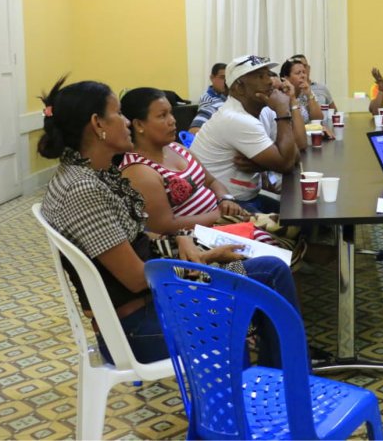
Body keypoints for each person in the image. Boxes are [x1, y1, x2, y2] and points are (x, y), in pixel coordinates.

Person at [37, 77, 299, 367]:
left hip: (159, 297)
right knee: (237, 305)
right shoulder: (83, 189)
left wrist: (181, 239)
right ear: (98, 124)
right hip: (138, 324)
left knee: (270, 269)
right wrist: (207, 257)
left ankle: (285, 376)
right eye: (118, 113)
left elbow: (132, 235)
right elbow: (137, 278)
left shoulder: (94, 174)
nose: (126, 121)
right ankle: (268, 383)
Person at [118, 88, 296, 250]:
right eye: (162, 116)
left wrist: (225, 199)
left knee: (290, 229)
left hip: (222, 220)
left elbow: (211, 181)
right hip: (197, 240)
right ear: (139, 125)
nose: (172, 120)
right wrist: (218, 215)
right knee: (274, 250)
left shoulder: (176, 148)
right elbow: (164, 226)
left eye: (171, 113)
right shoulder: (139, 171)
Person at [189, 55, 302, 213]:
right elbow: (287, 163)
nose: (270, 81)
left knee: (299, 213)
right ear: (239, 88)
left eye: (268, 75)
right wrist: (283, 110)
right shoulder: (236, 118)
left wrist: (262, 165)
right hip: (223, 205)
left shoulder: (262, 111)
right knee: (294, 221)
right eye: (260, 77)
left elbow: (294, 155)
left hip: (248, 197)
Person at [279, 59, 324, 123]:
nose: (303, 76)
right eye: (298, 73)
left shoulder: (307, 92)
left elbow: (318, 119)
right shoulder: (281, 97)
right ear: (286, 78)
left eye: (304, 72)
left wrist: (309, 94)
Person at [188, 62, 227, 134]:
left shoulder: (228, 97)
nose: (226, 81)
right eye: (222, 77)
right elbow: (197, 130)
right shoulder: (207, 100)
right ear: (212, 78)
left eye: (228, 78)